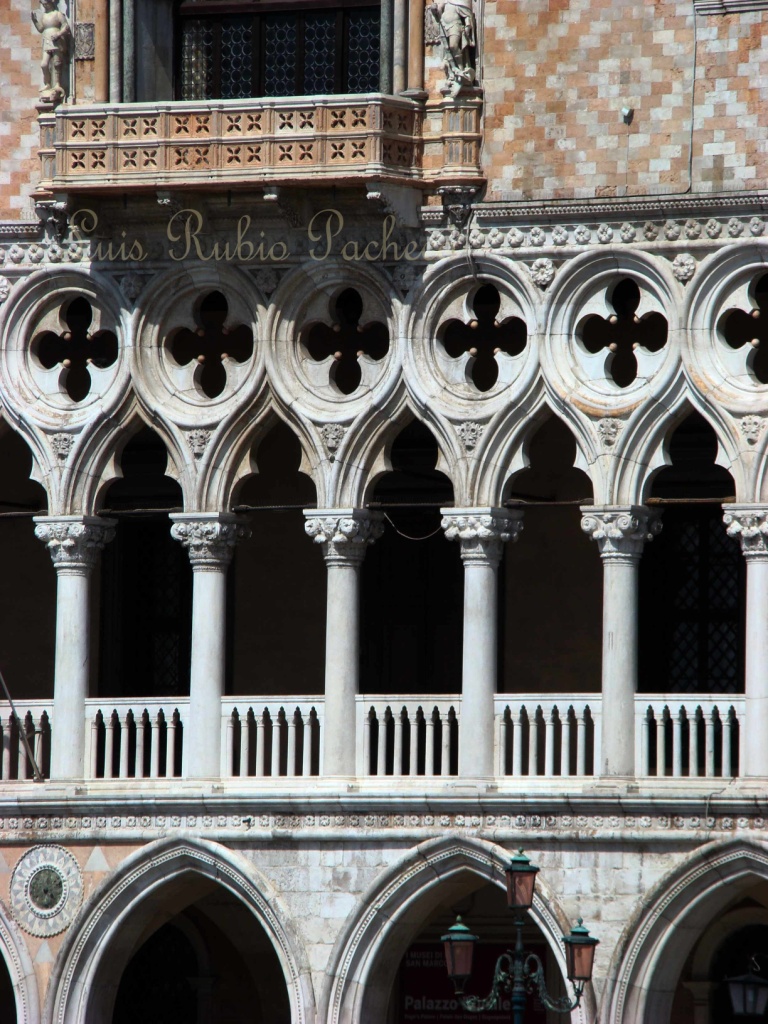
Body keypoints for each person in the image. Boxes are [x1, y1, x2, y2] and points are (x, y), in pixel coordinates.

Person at [429, 0, 476, 95]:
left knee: (453, 46)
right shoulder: (443, 2)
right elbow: (437, 13)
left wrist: (467, 25)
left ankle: (460, 69)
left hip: (455, 25)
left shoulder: (459, 1)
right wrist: (435, 9)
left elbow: (466, 14)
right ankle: (453, 72)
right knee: (447, 49)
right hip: (444, 26)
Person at [32, 0, 71, 105]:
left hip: (56, 40)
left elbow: (65, 26)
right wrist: (35, 21)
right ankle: (47, 83)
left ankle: (57, 84)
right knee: (44, 64)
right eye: (43, 4)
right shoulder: (44, 16)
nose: (45, 6)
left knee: (57, 63)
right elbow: (41, 29)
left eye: (46, 4)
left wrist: (58, 34)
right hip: (47, 39)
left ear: (51, 3)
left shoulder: (57, 14)